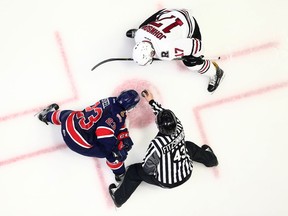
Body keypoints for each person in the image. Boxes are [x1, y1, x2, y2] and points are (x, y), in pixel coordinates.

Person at [108, 89, 219, 207]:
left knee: (134, 171)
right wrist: (151, 101)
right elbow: (164, 114)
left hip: (168, 182)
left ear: (159, 127)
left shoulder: (157, 144)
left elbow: (147, 168)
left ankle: (118, 198)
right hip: (187, 172)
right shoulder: (179, 126)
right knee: (189, 146)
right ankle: (211, 160)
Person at [37, 89, 140, 181]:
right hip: (76, 141)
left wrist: (124, 135)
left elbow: (113, 123)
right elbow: (103, 132)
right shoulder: (117, 115)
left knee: (69, 115)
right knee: (113, 154)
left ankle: (47, 116)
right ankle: (120, 174)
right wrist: (116, 149)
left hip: (69, 123)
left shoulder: (111, 100)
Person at [126, 8, 224, 93]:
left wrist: (196, 56)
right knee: (142, 27)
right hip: (170, 13)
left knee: (192, 64)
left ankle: (216, 73)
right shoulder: (139, 33)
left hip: (188, 23)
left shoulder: (167, 51)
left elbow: (197, 45)